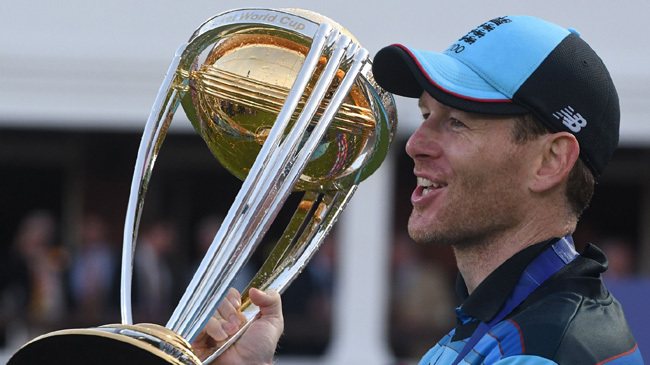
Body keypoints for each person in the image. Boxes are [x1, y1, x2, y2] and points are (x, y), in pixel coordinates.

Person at [192, 15, 644, 364]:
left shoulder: (541, 347)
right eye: (426, 114)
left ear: (550, 162)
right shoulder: (501, 323)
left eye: (458, 122)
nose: (415, 144)